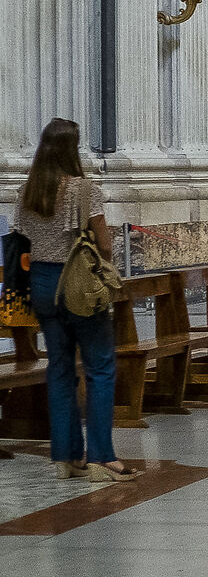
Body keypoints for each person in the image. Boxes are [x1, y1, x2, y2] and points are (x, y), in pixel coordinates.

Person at [13, 119, 128, 480]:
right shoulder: (84, 189)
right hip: (77, 283)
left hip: (43, 284)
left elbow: (20, 238)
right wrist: (105, 272)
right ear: (72, 148)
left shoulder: (28, 190)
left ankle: (65, 456)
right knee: (99, 368)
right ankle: (101, 457)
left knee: (59, 369)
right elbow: (104, 242)